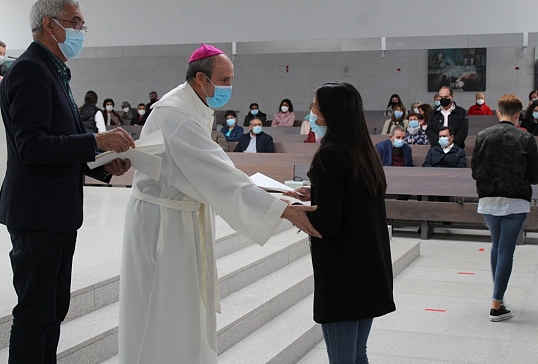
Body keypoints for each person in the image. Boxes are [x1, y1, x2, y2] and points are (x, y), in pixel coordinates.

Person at [118, 44, 320, 364]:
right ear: (201, 78)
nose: (228, 87)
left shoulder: (190, 104)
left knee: (183, 312)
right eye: (224, 80)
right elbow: (216, 174)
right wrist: (282, 210)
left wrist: (270, 194)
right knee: (162, 311)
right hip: (163, 229)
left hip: (179, 220)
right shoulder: (177, 114)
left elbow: (216, 167)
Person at [0, 1, 135, 362]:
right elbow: (32, 146)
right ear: (50, 24)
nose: (81, 31)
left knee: (52, 311)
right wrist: (96, 141)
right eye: (76, 22)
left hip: (55, 213)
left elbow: (61, 144)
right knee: (34, 315)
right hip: (36, 215)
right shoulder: (30, 70)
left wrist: (105, 167)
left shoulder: (54, 71)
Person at [284, 82, 395, 364]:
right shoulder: (364, 152)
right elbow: (353, 198)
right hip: (370, 268)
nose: (310, 114)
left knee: (343, 359)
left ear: (330, 114)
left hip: (343, 275)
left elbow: (328, 224)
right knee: (358, 355)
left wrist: (293, 209)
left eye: (314, 108)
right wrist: (318, 191)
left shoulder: (329, 154)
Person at [471, 94, 538, 322]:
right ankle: (496, 304)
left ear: (498, 112)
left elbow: (475, 171)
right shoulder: (526, 138)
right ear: (518, 115)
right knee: (506, 250)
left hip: (488, 199)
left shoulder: (482, 136)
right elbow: (535, 176)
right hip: (516, 200)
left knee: (496, 245)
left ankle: (497, 297)